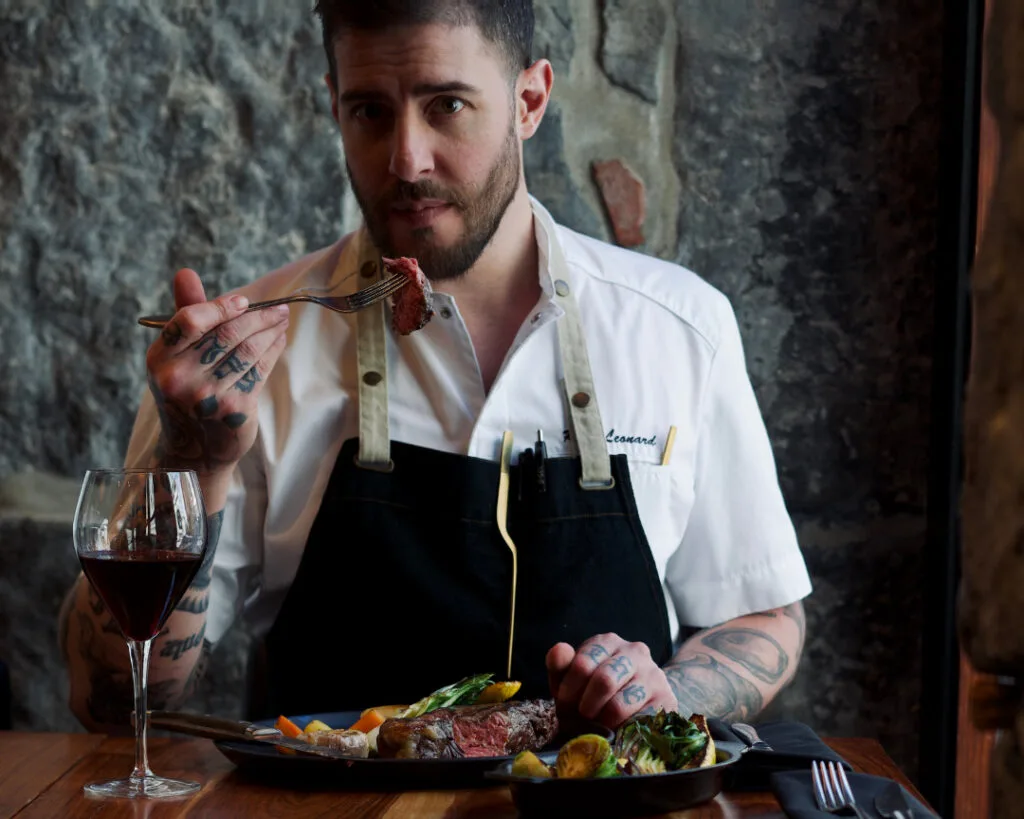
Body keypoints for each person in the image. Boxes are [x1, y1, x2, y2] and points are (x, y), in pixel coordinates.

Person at [60, 0, 812, 734]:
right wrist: (194, 461)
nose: (405, 159)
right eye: (369, 111)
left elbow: (766, 614)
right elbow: (109, 699)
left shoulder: (678, 327)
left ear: (529, 99)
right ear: (333, 105)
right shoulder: (237, 364)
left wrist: (669, 689)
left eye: (446, 105)